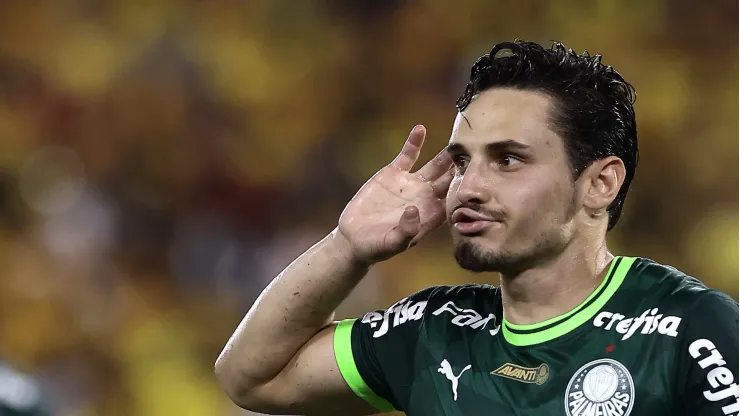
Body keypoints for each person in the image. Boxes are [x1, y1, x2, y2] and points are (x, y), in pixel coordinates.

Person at [214, 40, 739, 415]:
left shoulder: (691, 331)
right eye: (462, 162)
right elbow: (252, 378)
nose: (466, 188)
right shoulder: (433, 330)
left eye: (508, 160)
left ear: (599, 183)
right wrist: (347, 248)